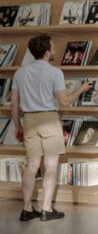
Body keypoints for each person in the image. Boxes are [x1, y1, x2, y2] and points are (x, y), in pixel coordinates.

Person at [9, 34, 92, 222]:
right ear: (46, 53)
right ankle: (46, 209)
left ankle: (27, 208)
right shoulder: (55, 73)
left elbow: (14, 105)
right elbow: (64, 103)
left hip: (29, 120)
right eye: (53, 48)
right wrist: (81, 89)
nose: (54, 51)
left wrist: (17, 126)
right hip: (49, 119)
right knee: (51, 166)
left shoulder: (20, 73)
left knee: (31, 166)